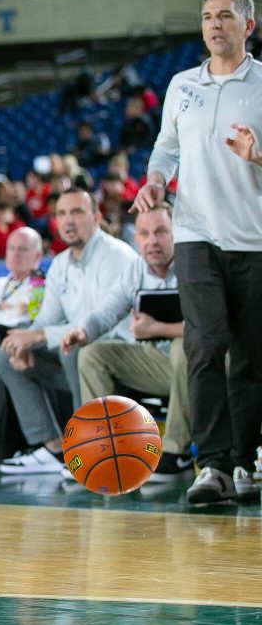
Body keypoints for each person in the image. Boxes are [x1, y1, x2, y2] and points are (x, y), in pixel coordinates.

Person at [131, 0, 262, 505]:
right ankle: (212, 466)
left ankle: (244, 460)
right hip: (196, 236)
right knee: (206, 345)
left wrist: (257, 155)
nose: (215, 24)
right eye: (208, 16)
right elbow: (165, 148)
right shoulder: (182, 85)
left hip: (253, 240)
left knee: (251, 358)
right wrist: (156, 180)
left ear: (247, 27)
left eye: (226, 15)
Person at [0, 188, 138, 474]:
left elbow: (99, 324)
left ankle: (89, 446)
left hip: (120, 358)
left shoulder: (117, 256)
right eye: (61, 213)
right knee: (5, 354)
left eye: (77, 212)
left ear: (96, 217)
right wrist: (27, 340)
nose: (68, 221)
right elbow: (47, 318)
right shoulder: (60, 264)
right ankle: (52, 448)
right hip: (74, 359)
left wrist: (38, 336)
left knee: (76, 349)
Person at [59, 204, 197, 484]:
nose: (152, 241)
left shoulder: (194, 265)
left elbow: (210, 327)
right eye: (144, 233)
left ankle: (176, 451)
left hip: (201, 368)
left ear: (176, 233)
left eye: (160, 232)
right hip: (157, 365)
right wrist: (83, 331)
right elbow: (106, 312)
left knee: (183, 346)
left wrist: (159, 328)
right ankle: (103, 450)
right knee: (92, 354)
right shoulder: (136, 270)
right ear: (136, 238)